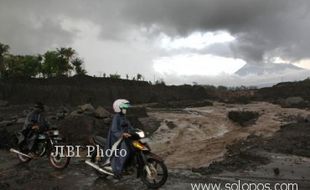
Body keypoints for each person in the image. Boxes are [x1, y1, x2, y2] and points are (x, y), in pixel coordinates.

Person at [105, 99, 134, 178]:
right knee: (125, 151)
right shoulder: (116, 117)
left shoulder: (124, 117)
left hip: (125, 137)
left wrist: (134, 130)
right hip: (116, 138)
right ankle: (117, 170)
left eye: (126, 108)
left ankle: (128, 166)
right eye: (124, 108)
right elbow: (114, 130)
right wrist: (122, 134)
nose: (125, 109)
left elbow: (130, 126)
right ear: (118, 108)